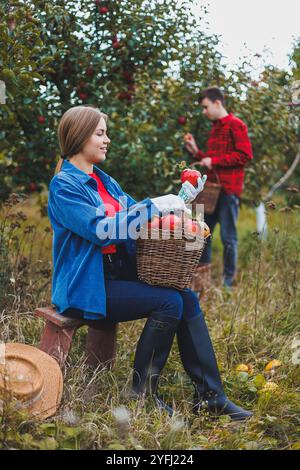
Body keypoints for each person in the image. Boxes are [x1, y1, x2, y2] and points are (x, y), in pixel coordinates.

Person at [47, 104, 252, 421]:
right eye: (100, 133)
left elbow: (139, 220)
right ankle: (141, 393)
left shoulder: (105, 182)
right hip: (86, 285)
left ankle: (211, 396)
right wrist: (155, 203)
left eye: (106, 133)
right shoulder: (65, 187)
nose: (107, 140)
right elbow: (100, 230)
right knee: (168, 301)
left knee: (183, 293)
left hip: (117, 275)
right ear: (79, 136)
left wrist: (181, 200)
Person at [184, 87, 253, 287]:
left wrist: (213, 160)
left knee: (228, 238)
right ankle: (202, 280)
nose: (204, 112)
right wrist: (196, 152)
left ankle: (228, 282)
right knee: (201, 233)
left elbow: (244, 155)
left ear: (217, 103)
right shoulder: (215, 128)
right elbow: (210, 162)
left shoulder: (235, 125)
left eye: (205, 107)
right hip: (210, 193)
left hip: (228, 191)